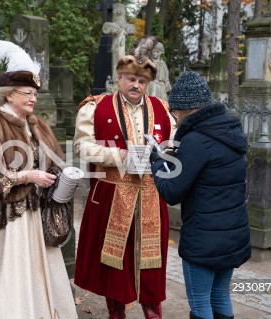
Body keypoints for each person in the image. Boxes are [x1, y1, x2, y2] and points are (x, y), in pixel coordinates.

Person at [0, 40, 78, 319]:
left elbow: (55, 162)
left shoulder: (37, 124)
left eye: (35, 94)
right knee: (8, 277)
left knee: (39, 273)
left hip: (37, 215)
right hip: (7, 220)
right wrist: (27, 176)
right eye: (27, 93)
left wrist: (63, 178)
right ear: (9, 94)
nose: (33, 99)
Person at [73, 35, 174, 319]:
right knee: (114, 266)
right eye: (130, 79)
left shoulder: (163, 110)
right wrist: (121, 157)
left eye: (141, 82)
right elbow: (82, 146)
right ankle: (116, 314)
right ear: (119, 77)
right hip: (112, 195)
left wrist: (162, 156)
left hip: (152, 197)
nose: (136, 85)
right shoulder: (95, 106)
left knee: (152, 266)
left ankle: (153, 315)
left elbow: (175, 147)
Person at [150, 71, 251, 319]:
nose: (175, 121)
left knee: (200, 304)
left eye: (175, 114)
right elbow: (208, 173)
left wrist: (157, 163)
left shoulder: (196, 140)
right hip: (232, 235)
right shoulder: (230, 131)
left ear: (185, 110)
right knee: (220, 296)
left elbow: (171, 192)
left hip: (204, 241)